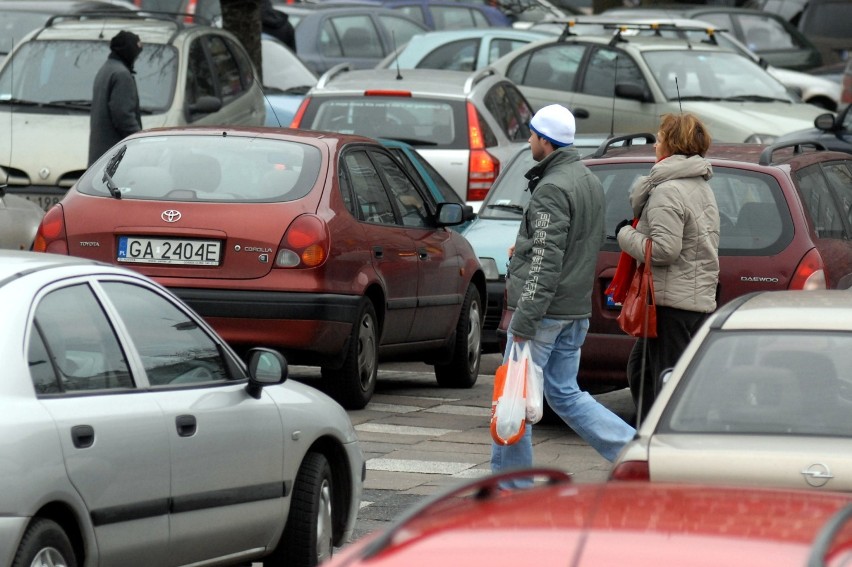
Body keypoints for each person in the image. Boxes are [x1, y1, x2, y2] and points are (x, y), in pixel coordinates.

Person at [491, 104, 636, 488]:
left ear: (546, 141)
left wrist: (523, 319)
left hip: (544, 314)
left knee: (516, 395)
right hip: (573, 310)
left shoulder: (552, 187)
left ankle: (512, 483)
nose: (528, 140)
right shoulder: (587, 181)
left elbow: (545, 261)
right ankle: (633, 452)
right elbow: (567, 247)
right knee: (564, 393)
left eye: (533, 135)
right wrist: (523, 249)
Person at [615, 113, 720, 423]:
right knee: (645, 372)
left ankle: (657, 446)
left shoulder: (668, 190)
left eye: (659, 139)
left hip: (670, 305)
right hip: (689, 301)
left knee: (663, 385)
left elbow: (664, 250)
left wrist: (625, 233)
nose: (655, 144)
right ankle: (652, 438)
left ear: (672, 145)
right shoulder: (700, 185)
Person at [88, 30, 143, 166]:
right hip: (115, 157)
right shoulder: (121, 75)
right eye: (136, 54)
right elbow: (123, 116)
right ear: (130, 52)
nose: (136, 58)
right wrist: (140, 140)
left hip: (101, 156)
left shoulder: (106, 69)